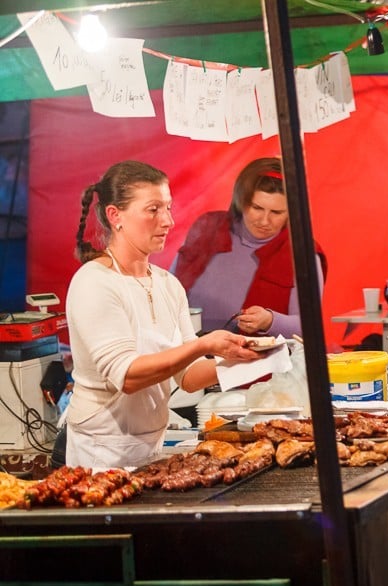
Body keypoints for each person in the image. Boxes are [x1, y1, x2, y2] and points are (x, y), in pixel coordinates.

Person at [66, 160, 262, 469]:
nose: (168, 221)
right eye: (153, 209)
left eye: (168, 208)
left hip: (150, 448)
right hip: (98, 453)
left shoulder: (168, 285)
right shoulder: (94, 283)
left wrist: (245, 361)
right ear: (115, 215)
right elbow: (128, 376)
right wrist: (204, 344)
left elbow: (188, 377)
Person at [172, 157, 327, 336]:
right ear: (241, 201)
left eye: (276, 212)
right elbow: (167, 291)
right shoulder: (208, 228)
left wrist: (270, 320)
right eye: (257, 208)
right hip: (192, 353)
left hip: (262, 360)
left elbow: (310, 326)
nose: (264, 220)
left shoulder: (301, 252)